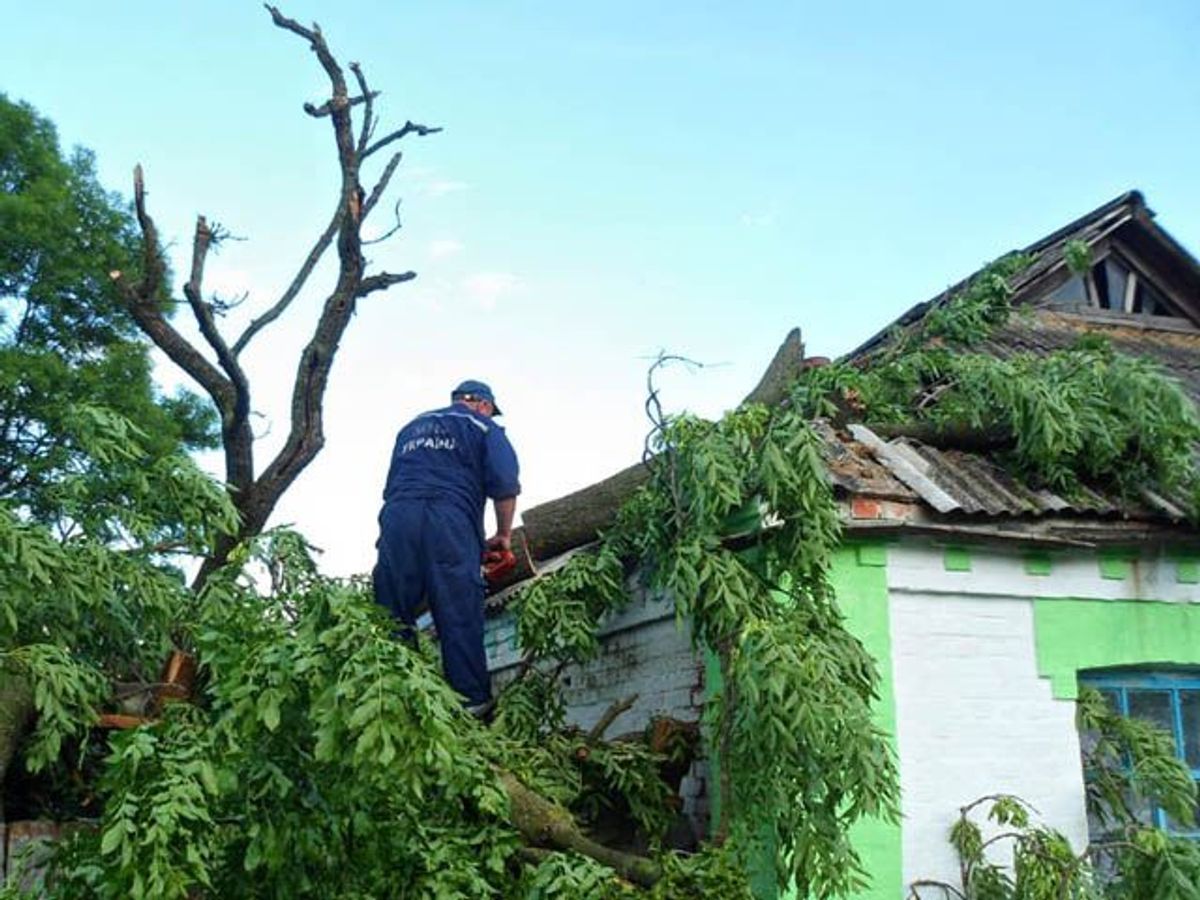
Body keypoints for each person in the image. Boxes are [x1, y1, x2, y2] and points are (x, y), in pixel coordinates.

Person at [372, 380, 520, 713]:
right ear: (483, 404)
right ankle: (473, 707)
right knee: (459, 610)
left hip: (398, 517)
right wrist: (503, 535)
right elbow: (506, 485)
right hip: (449, 519)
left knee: (391, 611)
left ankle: (394, 699)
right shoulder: (485, 427)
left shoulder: (410, 428)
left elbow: (392, 486)